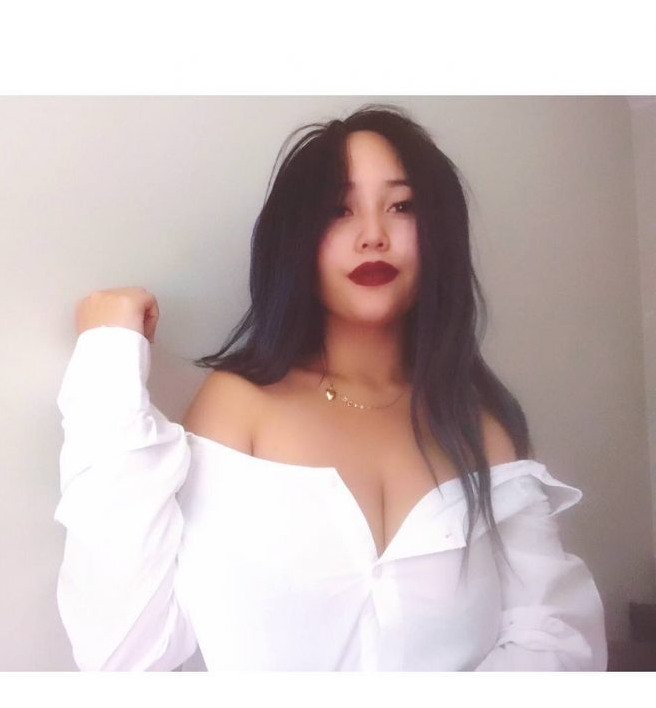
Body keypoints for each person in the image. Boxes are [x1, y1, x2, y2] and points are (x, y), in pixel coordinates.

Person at [54, 103, 608, 671]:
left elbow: (555, 635)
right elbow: (123, 649)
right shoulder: (240, 408)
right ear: (297, 238)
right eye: (339, 210)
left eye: (401, 206)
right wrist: (108, 352)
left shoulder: (479, 426)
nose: (373, 236)